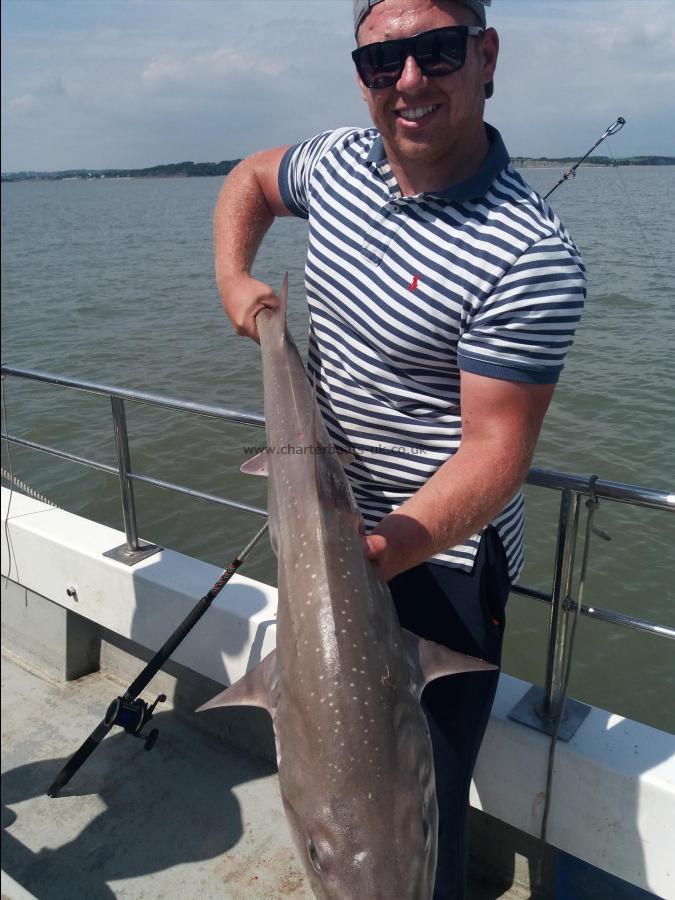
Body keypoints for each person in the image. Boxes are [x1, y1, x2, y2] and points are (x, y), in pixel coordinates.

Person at [214, 0, 586, 896]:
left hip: (442, 556)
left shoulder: (529, 253)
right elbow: (251, 180)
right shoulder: (336, 164)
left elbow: (496, 449)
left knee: (425, 805)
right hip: (323, 512)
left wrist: (376, 552)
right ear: (362, 75)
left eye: (437, 51)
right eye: (386, 61)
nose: (411, 80)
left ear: (484, 54)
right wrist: (236, 278)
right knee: (328, 780)